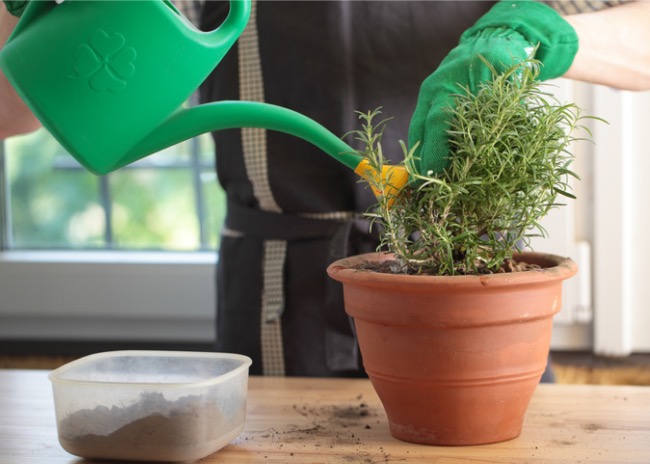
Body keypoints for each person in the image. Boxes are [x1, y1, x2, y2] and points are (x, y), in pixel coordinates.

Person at [2, 1, 650, 378]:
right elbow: (17, 108)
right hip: (278, 299)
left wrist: (543, 32)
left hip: (474, 288)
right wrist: (53, 26)